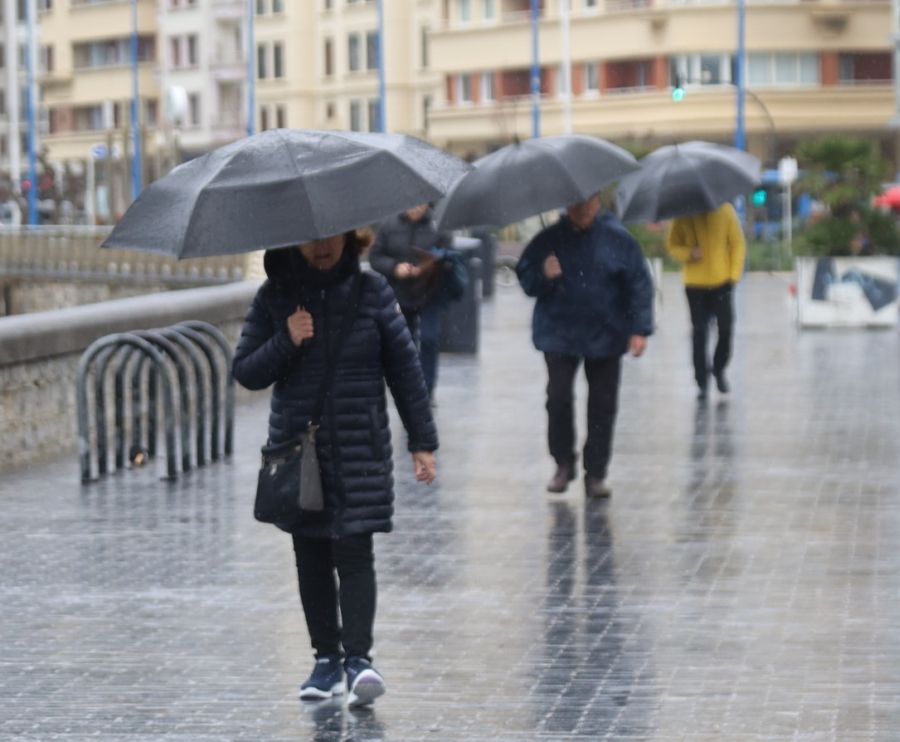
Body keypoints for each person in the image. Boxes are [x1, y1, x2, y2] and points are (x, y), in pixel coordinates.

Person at [232, 229, 437, 707]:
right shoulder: (275, 298)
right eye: (310, 240)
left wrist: (422, 442)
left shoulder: (373, 292)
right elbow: (246, 371)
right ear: (292, 243)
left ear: (352, 237)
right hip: (299, 452)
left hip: (359, 444)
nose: (322, 247)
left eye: (332, 238)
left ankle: (359, 660)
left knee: (354, 547)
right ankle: (325, 661)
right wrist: (287, 339)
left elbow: (405, 368)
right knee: (311, 556)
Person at [516, 194, 654, 498]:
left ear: (599, 202)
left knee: (603, 406)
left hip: (607, 332)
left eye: (590, 204)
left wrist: (639, 329)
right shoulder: (548, 240)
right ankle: (563, 462)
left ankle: (596, 472)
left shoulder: (618, 239)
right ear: (566, 205)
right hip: (560, 332)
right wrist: (544, 274)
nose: (584, 211)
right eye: (577, 204)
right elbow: (526, 279)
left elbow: (638, 284)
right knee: (558, 398)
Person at [369, 204, 458, 400]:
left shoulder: (438, 225)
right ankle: (407, 386)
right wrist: (395, 268)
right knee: (402, 343)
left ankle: (426, 390)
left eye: (422, 204)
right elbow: (375, 256)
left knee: (429, 338)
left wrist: (428, 265)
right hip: (399, 294)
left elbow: (450, 254)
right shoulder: (389, 225)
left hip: (430, 292)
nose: (417, 209)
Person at [665, 202, 745, 400]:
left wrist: (733, 276)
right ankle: (701, 380)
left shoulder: (725, 211)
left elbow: (737, 243)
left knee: (726, 328)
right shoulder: (683, 215)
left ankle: (719, 369)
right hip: (695, 284)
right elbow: (672, 245)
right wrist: (689, 253)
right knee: (699, 332)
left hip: (722, 281)